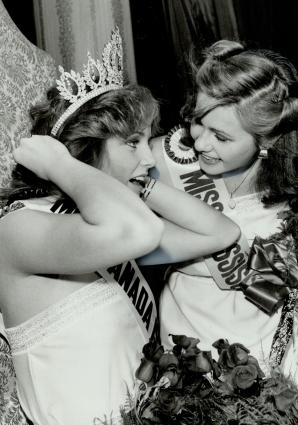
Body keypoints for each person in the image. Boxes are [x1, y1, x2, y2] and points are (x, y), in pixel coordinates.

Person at [0, 30, 240, 425]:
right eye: (132, 142)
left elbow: (219, 232)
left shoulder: (110, 228)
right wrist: (64, 165)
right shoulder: (22, 227)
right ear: (86, 147)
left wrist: (139, 181)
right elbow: (138, 233)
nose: (150, 157)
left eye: (148, 141)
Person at [150, 39, 298, 405]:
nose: (200, 143)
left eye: (222, 137)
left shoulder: (294, 186)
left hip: (265, 340)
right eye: (198, 121)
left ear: (266, 140)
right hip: (188, 334)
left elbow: (284, 281)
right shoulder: (164, 160)